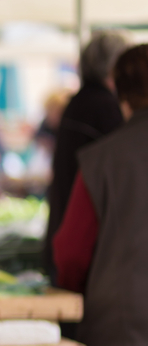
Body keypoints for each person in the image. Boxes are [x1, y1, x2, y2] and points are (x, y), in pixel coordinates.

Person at [54, 44, 148, 346]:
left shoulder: (100, 159)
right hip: (126, 322)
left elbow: (72, 250)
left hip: (125, 321)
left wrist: (78, 289)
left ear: (118, 91)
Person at [43, 31, 131, 282]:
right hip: (85, 241)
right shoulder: (106, 109)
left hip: (67, 231)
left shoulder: (78, 103)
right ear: (115, 67)